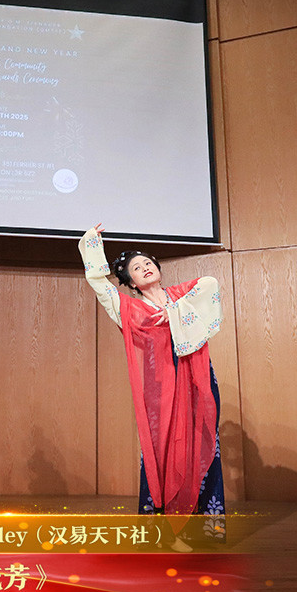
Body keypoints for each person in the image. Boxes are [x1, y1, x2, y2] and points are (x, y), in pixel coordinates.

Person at [79, 224, 224, 524]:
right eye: (136, 268)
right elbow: (99, 284)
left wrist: (175, 312)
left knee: (204, 445)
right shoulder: (130, 309)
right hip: (162, 389)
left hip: (198, 381)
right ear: (130, 283)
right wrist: (92, 244)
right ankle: (163, 529)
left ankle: (206, 527)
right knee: (162, 451)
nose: (145, 268)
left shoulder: (181, 296)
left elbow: (210, 284)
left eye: (148, 263)